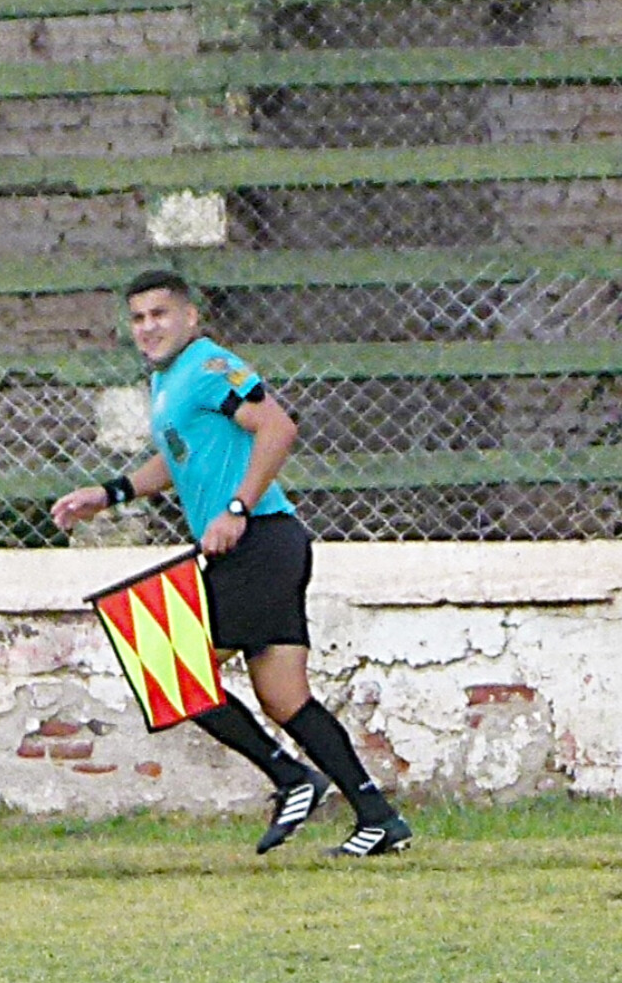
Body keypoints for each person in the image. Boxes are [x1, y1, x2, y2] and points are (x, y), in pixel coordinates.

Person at [52, 268, 410, 858]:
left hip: (258, 542)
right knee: (284, 697)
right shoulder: (169, 385)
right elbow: (176, 459)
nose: (148, 327)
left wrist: (237, 508)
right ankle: (378, 818)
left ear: (191, 317)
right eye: (138, 318)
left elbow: (277, 426)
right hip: (266, 545)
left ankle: (292, 778)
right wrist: (110, 493)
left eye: (160, 314)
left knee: (169, 662)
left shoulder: (209, 366)